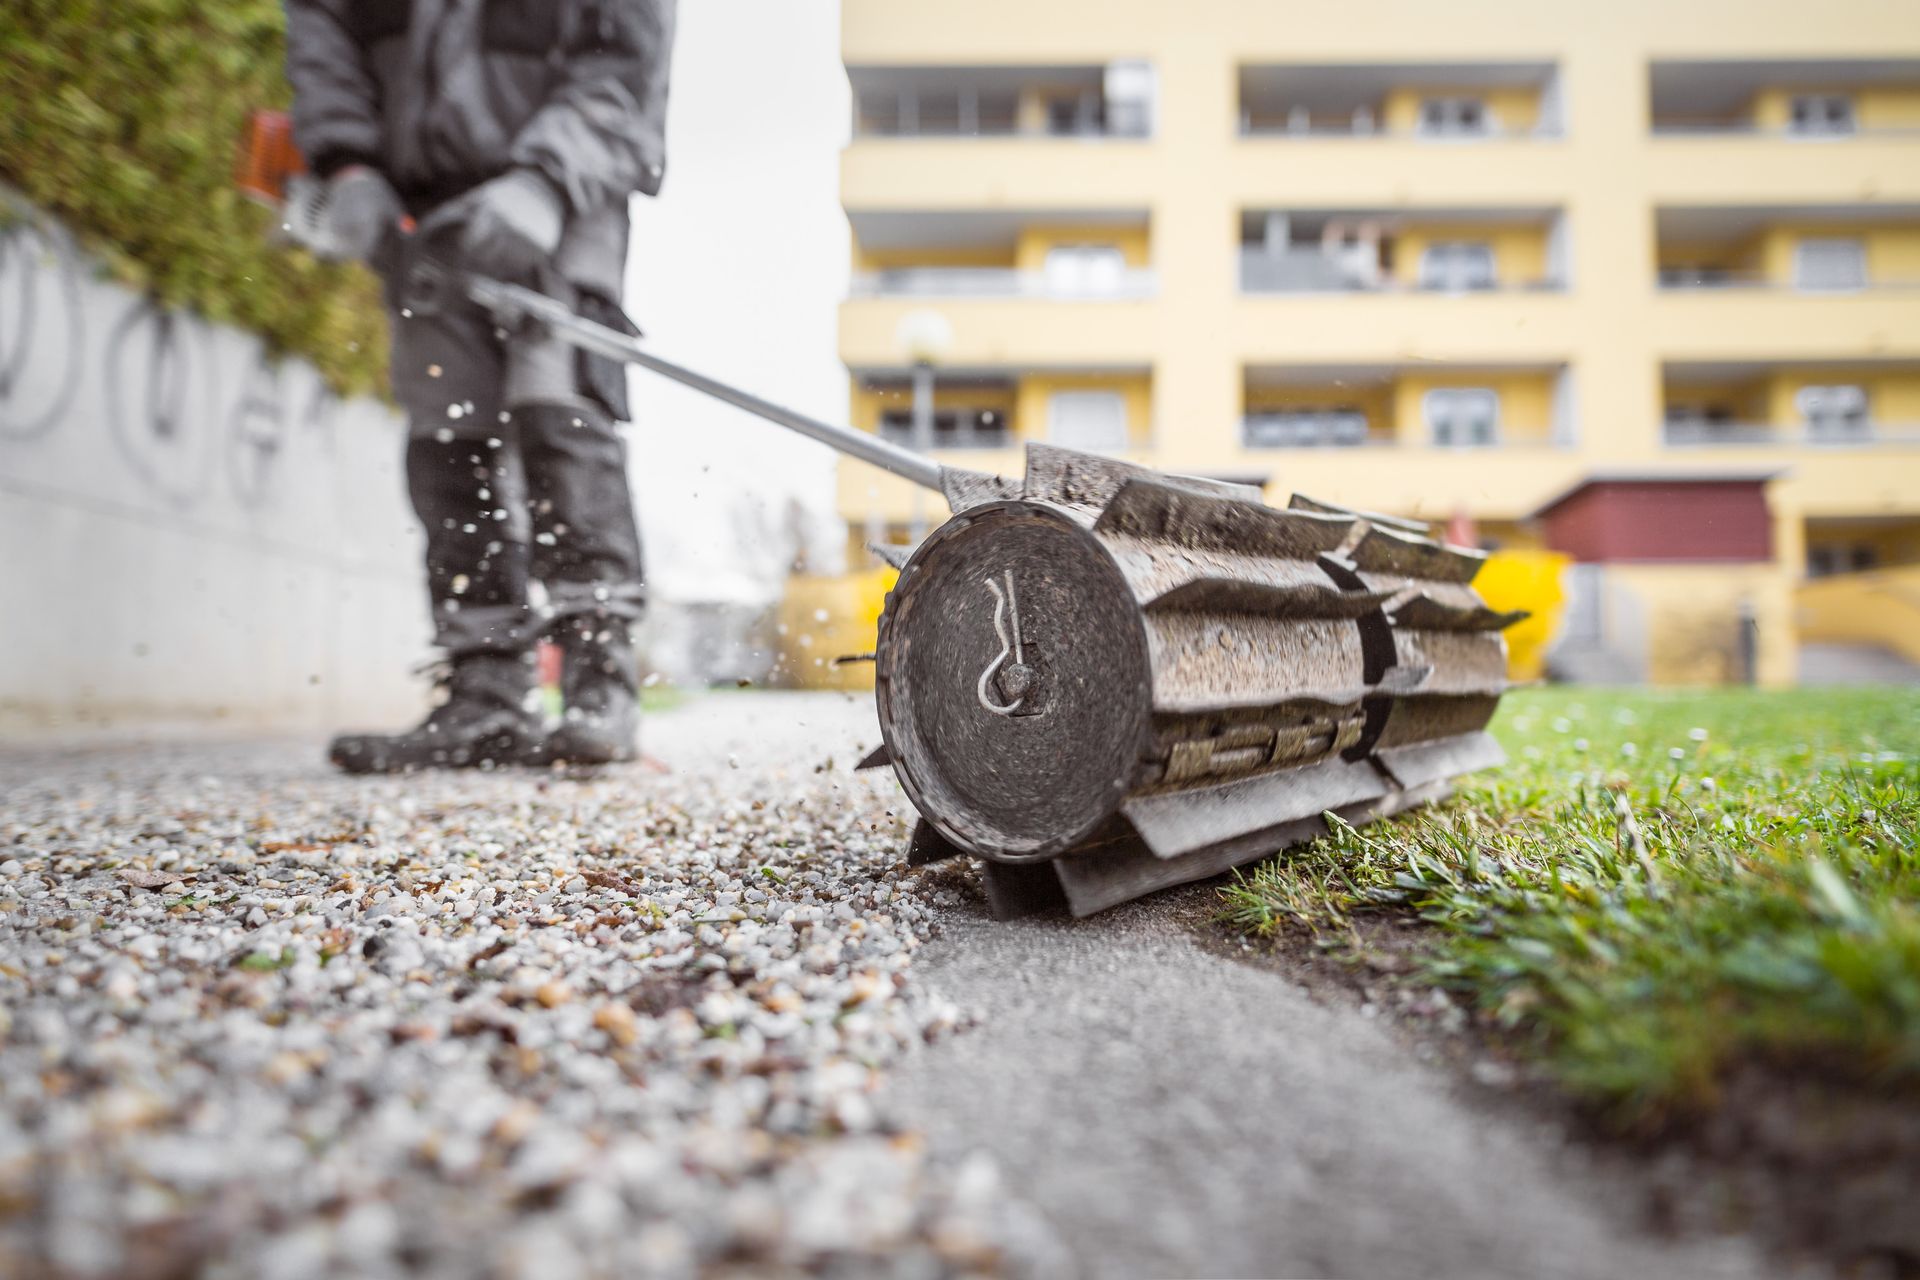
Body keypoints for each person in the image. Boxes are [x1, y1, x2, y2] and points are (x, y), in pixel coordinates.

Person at [283, 0, 675, 771]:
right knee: (447, 436)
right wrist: (345, 161)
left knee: (559, 412)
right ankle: (483, 692)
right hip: (421, 207)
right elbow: (325, 24)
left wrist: (550, 177)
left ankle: (599, 679)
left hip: (564, 191)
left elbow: (626, 54)